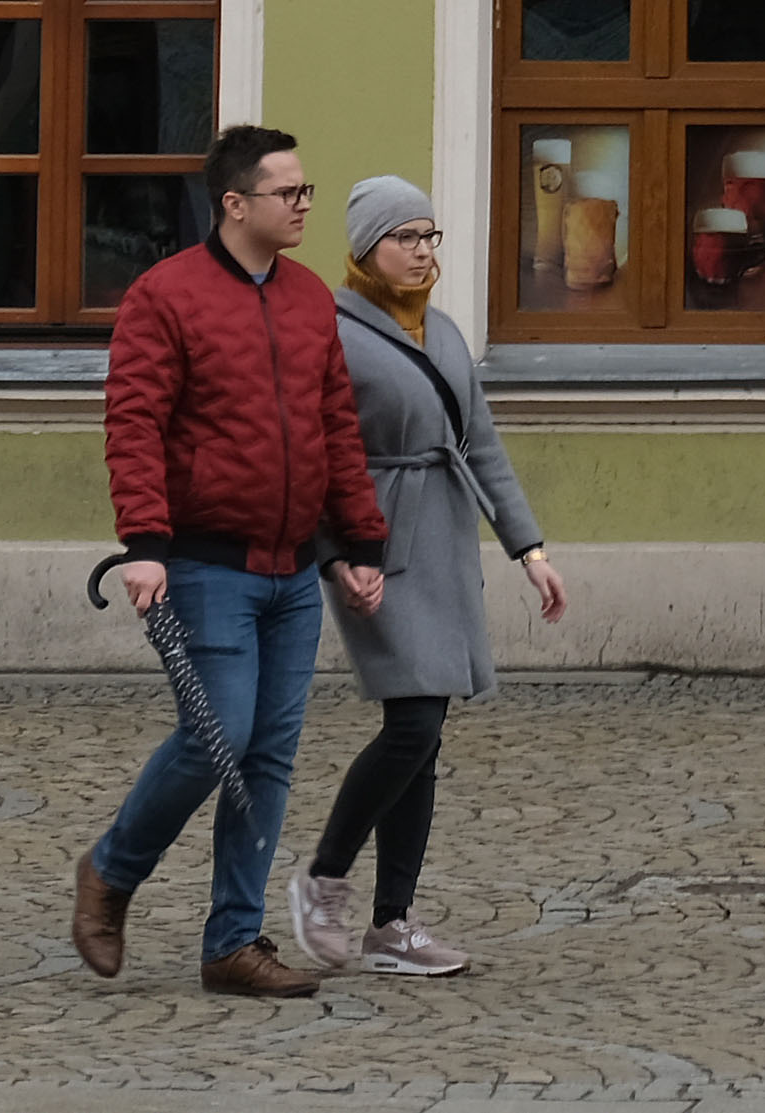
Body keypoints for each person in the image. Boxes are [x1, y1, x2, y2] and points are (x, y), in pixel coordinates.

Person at [72, 127, 388, 994]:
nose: (302, 206)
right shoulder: (164, 296)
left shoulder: (307, 297)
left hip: (291, 567)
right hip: (203, 564)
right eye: (286, 192)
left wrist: (358, 543)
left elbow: (335, 427)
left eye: (306, 189)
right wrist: (144, 543)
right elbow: (133, 422)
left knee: (269, 755)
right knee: (219, 738)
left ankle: (232, 943)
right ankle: (111, 871)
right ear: (234, 203)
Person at [291, 177, 567, 977]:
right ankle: (323, 879)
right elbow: (310, 456)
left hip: (443, 540)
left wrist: (529, 550)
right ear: (366, 245)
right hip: (375, 540)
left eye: (430, 235)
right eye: (405, 237)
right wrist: (337, 554)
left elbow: (479, 444)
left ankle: (392, 923)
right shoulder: (332, 332)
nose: (422, 252)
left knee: (426, 733)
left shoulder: (443, 331)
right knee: (411, 723)